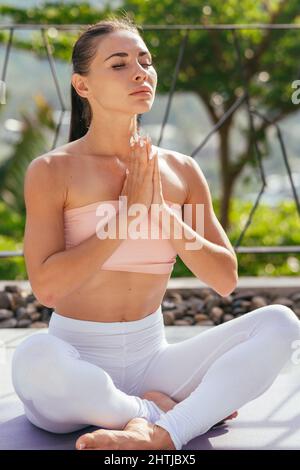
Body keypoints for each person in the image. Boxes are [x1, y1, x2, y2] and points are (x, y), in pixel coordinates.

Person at [11, 15, 300, 451]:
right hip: (75, 361)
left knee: (280, 323)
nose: (140, 72)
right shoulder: (52, 171)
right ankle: (160, 412)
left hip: (155, 357)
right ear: (82, 85)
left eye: (145, 61)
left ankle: (160, 433)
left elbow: (225, 278)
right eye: (119, 63)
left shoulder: (182, 170)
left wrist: (162, 215)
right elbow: (47, 288)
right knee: (34, 358)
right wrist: (127, 217)